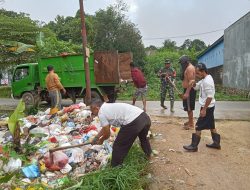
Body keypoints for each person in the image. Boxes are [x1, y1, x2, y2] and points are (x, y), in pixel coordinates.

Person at [90, 99, 152, 167]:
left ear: (97, 108)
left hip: (133, 122)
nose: (92, 113)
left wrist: (101, 140)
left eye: (92, 110)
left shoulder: (101, 113)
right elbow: (106, 127)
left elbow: (107, 134)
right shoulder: (107, 106)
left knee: (118, 145)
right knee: (143, 138)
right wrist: (97, 137)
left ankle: (115, 167)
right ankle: (148, 154)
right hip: (144, 117)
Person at [183, 63, 221, 152]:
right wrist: (193, 83)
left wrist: (204, 109)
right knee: (211, 125)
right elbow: (197, 87)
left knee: (198, 126)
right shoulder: (204, 79)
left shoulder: (207, 81)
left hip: (207, 107)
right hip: (209, 107)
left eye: (197, 73)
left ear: (203, 71)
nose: (196, 75)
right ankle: (216, 143)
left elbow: (210, 97)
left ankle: (194, 146)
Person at [179, 55, 196, 129]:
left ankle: (191, 124)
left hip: (189, 90)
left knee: (189, 108)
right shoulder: (188, 67)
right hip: (187, 89)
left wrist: (187, 92)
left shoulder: (190, 68)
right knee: (187, 107)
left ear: (186, 62)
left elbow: (191, 82)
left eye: (182, 63)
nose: (181, 65)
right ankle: (190, 121)